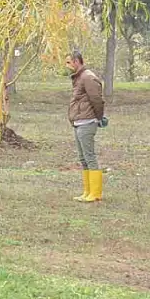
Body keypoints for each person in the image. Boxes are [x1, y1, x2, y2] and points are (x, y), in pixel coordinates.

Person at [66, 52, 106, 202]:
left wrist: (98, 117)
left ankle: (95, 193)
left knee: (89, 157)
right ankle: (87, 192)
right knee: (83, 158)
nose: (67, 66)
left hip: (87, 122)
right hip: (78, 122)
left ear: (76, 61)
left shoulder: (88, 77)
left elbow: (97, 99)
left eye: (69, 62)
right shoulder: (79, 77)